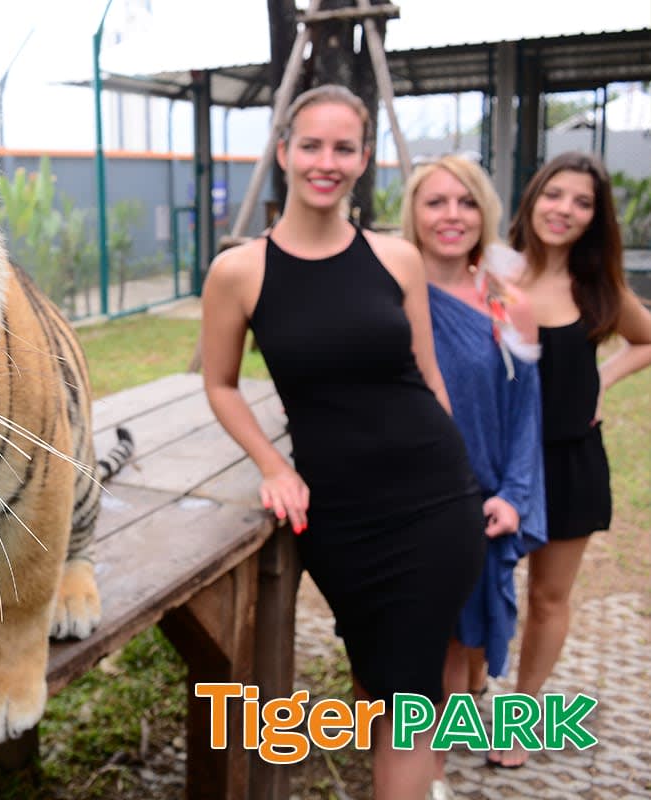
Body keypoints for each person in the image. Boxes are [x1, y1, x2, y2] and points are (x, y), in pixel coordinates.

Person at [201, 85, 485, 800]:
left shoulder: (398, 259)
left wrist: (462, 474)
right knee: (379, 673)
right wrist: (274, 466)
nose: (326, 162)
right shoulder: (239, 271)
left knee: (407, 696)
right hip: (340, 516)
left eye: (344, 148)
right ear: (284, 152)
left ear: (363, 159)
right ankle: (420, 780)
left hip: (433, 499)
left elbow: (429, 378)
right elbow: (221, 384)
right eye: (312, 145)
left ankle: (416, 780)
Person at [497, 151, 651, 768]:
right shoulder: (491, 271)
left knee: (547, 598)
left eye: (582, 202)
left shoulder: (597, 287)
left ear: (595, 217)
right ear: (533, 198)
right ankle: (463, 698)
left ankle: (517, 720)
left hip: (569, 462)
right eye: (554, 194)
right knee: (476, 591)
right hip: (495, 463)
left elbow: (645, 338)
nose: (564, 209)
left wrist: (601, 380)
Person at [401, 156, 548, 783]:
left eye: (465, 202)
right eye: (435, 202)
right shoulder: (386, 294)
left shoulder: (508, 304)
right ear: (412, 213)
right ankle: (412, 771)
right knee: (408, 645)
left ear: (484, 213)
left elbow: (525, 414)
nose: (451, 216)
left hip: (478, 501)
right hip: (404, 499)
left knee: (460, 646)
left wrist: (514, 494)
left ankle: (429, 774)